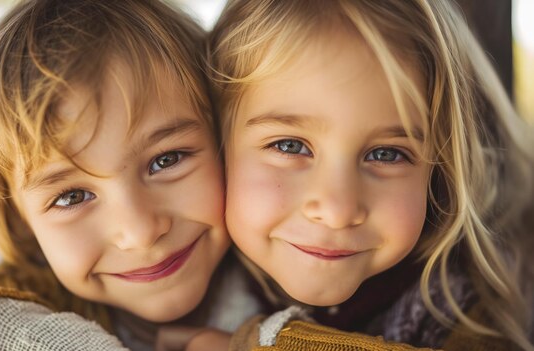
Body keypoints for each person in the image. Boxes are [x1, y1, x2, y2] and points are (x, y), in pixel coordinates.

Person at [207, 0, 534, 350]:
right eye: (289, 146)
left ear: (440, 169)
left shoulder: (461, 308)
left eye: (385, 154)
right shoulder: (188, 278)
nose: (337, 211)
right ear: (218, 144)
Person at [0, 0, 260, 350]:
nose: (140, 233)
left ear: (224, 140)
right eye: (72, 197)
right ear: (23, 226)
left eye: (167, 160)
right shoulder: (26, 311)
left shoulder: (290, 263)